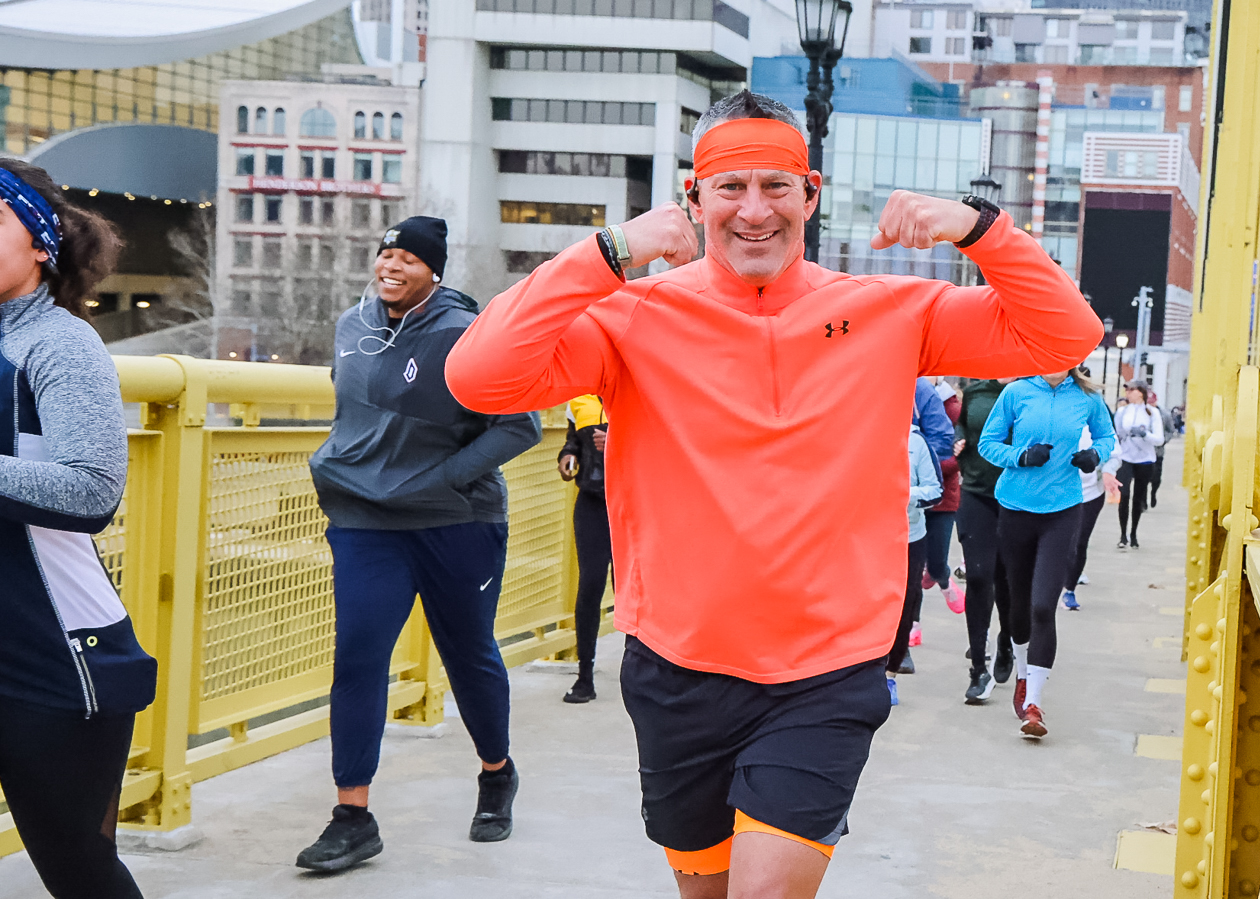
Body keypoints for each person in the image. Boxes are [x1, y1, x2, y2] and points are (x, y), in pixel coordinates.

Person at [443, 89, 1102, 898]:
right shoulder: (631, 316)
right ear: (694, 199)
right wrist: (608, 251)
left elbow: (1065, 335)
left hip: (825, 670)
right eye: (730, 187)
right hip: (677, 666)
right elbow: (476, 376)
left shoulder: (889, 311)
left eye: (775, 186)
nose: (754, 211)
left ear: (810, 193)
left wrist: (977, 228)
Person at [299, 217, 543, 873]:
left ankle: (496, 772)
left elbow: (521, 426)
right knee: (357, 657)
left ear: (433, 270)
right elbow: (356, 409)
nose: (392, 265)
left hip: (454, 521)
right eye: (386, 253)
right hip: (366, 521)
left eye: (407, 256)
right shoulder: (352, 327)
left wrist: (440, 476)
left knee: (467, 654)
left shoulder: (467, 333)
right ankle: (352, 815)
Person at [0, 158, 154, 899]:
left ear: (39, 242)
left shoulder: (59, 343)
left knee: (78, 869)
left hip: (56, 656)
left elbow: (92, 490)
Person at [979, 370, 1114, 739]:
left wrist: (1094, 456)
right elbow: (987, 443)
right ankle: (1023, 673)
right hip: (1016, 507)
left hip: (1064, 509)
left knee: (1043, 606)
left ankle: (1034, 705)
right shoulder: (1017, 392)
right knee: (1018, 607)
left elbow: (1107, 436)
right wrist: (1021, 456)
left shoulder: (1087, 397)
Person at [953, 375, 1016, 705]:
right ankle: (979, 668)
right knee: (978, 575)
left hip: (1016, 497)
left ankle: (1007, 639)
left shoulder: (1030, 391)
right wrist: (959, 440)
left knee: (1005, 579)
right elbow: (962, 424)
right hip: (975, 492)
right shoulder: (976, 391)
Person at [558, 393, 613, 704]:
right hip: (591, 502)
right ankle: (584, 677)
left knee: (631, 588)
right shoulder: (578, 399)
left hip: (631, 502)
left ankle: (645, 672)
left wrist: (617, 439)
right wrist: (568, 456)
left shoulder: (639, 387)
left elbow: (663, 439)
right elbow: (572, 441)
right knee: (590, 585)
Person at [886, 424, 943, 706]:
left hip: (910, 536)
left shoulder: (916, 441)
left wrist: (903, 494)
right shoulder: (859, 432)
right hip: (866, 536)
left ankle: (889, 674)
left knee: (904, 604)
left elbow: (935, 491)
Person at [905, 377, 962, 658]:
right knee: (911, 574)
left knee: (936, 563)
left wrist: (921, 465)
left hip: (940, 497)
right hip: (908, 504)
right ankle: (913, 626)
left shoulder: (952, 406)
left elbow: (955, 455)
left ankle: (943, 578)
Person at [1063, 368, 1121, 612]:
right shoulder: (1046, 410)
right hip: (1053, 490)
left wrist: (1108, 471)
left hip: (1089, 492)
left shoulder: (1095, 407)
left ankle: (1069, 589)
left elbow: (1113, 446)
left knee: (1078, 543)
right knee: (1057, 542)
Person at [1113, 381, 1164, 549]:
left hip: (1145, 459)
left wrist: (1144, 434)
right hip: (1126, 457)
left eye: (1132, 390)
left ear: (1141, 393)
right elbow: (1117, 434)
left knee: (1138, 498)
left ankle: (1133, 533)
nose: (1128, 392)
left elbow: (1159, 439)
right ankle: (1122, 534)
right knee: (1124, 495)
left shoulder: (1152, 413)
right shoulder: (1122, 411)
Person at [1146, 389, 1173, 510]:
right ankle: (1142, 500)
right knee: (1144, 477)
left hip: (1158, 451)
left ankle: (1153, 494)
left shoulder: (1164, 414)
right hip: (1145, 451)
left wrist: (1163, 440)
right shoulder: (1142, 413)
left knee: (1156, 477)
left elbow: (1170, 430)